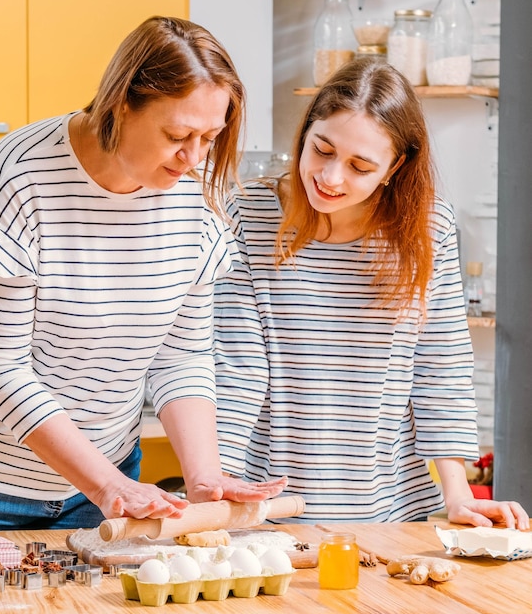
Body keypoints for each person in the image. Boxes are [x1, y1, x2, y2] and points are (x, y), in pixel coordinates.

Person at [0, 16, 285, 533]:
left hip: (108, 476)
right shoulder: (21, 175)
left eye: (210, 138)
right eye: (178, 135)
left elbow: (182, 353)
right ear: (120, 103)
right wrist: (104, 483)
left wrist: (204, 477)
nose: (194, 158)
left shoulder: (198, 194)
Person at [213, 57, 529, 529]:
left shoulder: (427, 229)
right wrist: (217, 483)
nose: (331, 177)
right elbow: (236, 367)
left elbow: (440, 369)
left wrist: (458, 495)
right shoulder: (249, 214)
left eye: (360, 166)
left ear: (395, 167)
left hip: (392, 513)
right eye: (321, 150)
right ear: (306, 132)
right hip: (267, 512)